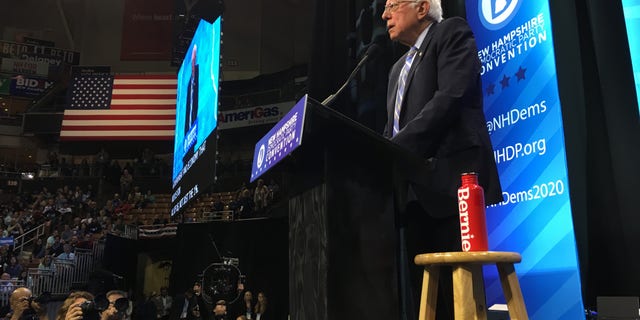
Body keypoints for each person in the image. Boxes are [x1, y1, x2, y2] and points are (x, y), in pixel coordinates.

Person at [381, 1, 502, 319]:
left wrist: (395, 149)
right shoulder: (397, 71)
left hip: (452, 189)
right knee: (424, 299)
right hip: (412, 195)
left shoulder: (451, 33)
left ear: (422, 8)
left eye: (392, 5)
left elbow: (450, 97)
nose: (385, 15)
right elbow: (390, 129)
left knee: (458, 300)